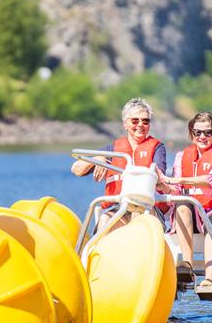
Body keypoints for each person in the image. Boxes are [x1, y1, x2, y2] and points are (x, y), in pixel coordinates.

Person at [159, 112, 212, 297]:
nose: (202, 137)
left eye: (207, 132)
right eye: (198, 133)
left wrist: (178, 179)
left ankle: (209, 280)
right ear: (192, 134)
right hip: (191, 210)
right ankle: (186, 266)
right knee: (181, 204)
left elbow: (211, 179)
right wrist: (162, 184)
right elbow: (176, 188)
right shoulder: (182, 156)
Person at [71, 97, 167, 229]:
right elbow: (76, 169)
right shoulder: (112, 150)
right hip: (118, 208)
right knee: (104, 220)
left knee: (137, 217)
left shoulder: (157, 148)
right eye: (135, 121)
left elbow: (159, 173)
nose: (140, 125)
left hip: (147, 207)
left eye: (145, 121)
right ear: (125, 124)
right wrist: (99, 158)